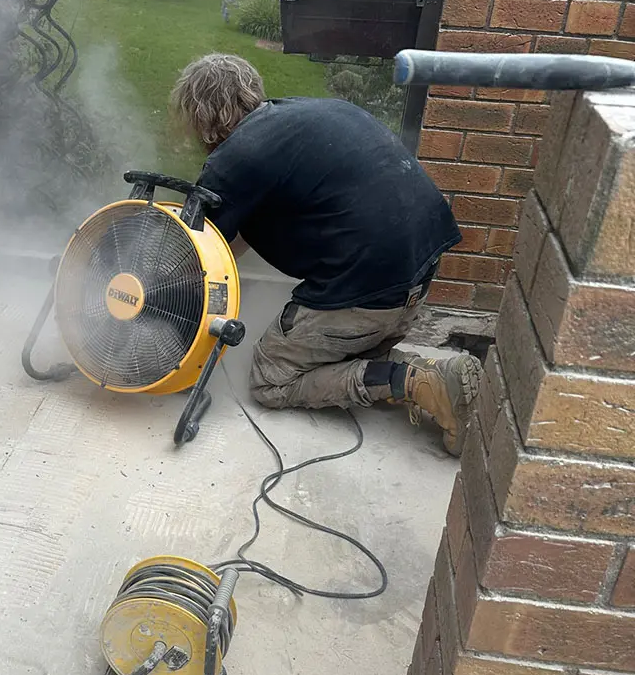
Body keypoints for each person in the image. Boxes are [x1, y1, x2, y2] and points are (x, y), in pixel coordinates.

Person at [171, 53, 481, 456]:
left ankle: (420, 382)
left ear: (201, 114)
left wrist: (166, 291)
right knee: (340, 352)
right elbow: (231, 238)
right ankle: (432, 372)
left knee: (270, 379)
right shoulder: (304, 117)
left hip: (369, 293)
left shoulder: (235, 158)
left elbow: (196, 248)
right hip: (417, 280)